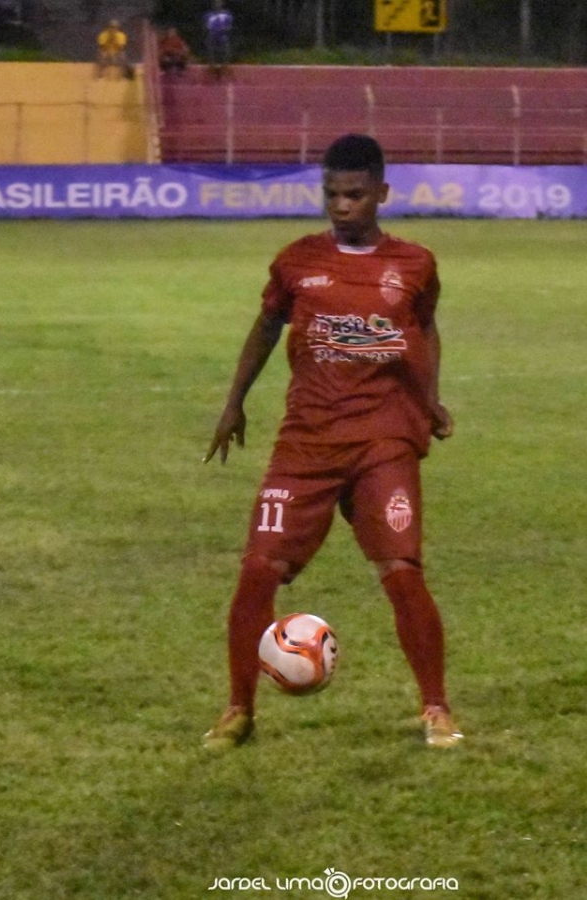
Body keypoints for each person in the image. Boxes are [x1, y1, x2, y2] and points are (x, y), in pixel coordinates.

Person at [202, 134, 463, 750]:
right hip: (307, 444)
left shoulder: (415, 264)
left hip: (383, 441)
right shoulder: (296, 261)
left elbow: (423, 333)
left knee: (402, 571)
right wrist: (234, 402)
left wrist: (429, 400)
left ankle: (437, 708)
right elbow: (266, 327)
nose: (341, 205)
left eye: (354, 194)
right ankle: (239, 709)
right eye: (332, 193)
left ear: (381, 194)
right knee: (256, 571)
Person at [203, 0, 232, 75]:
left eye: (219, 3)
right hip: (212, 35)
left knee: (226, 48)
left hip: (222, 35)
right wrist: (211, 30)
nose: (217, 5)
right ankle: (211, 66)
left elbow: (229, 26)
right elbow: (206, 26)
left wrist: (224, 29)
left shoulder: (226, 14)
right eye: (216, 3)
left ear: (222, 4)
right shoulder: (208, 14)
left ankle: (224, 66)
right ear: (213, 4)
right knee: (210, 45)